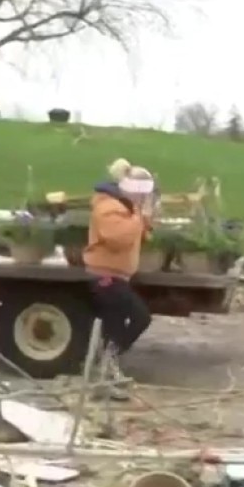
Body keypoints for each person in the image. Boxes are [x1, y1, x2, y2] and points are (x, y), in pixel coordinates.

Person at [84, 159, 155, 398]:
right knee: (140, 316)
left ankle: (104, 375)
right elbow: (118, 238)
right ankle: (105, 365)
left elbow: (138, 237)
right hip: (105, 275)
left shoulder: (125, 207)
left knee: (113, 326)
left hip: (117, 276)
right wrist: (138, 217)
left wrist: (143, 219)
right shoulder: (108, 207)